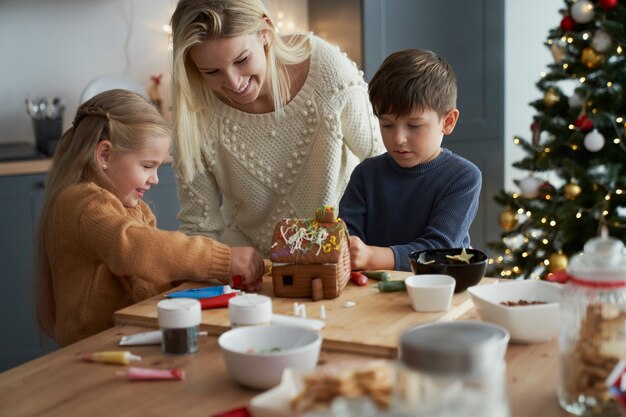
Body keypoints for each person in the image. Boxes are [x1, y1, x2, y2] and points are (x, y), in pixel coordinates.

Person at [35, 89, 264, 346]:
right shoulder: (82, 203)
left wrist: (212, 279)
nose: (154, 179)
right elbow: (135, 249)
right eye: (147, 166)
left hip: (127, 338)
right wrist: (222, 259)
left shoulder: (134, 207)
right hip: (91, 350)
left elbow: (153, 272)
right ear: (105, 155)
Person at [169, 0, 384, 256]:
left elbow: (382, 165)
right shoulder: (195, 113)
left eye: (242, 60)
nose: (234, 83)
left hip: (336, 255)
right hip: (247, 269)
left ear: (265, 32)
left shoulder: (327, 71)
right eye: (212, 71)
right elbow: (199, 228)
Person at [339, 49, 482, 272]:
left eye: (414, 126)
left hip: (440, 294)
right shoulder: (365, 174)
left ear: (448, 121)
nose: (398, 138)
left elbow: (439, 250)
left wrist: (371, 257)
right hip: (372, 294)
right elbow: (348, 239)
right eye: (387, 125)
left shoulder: (463, 177)